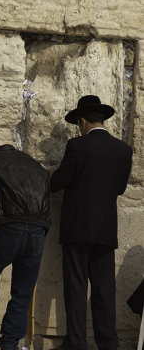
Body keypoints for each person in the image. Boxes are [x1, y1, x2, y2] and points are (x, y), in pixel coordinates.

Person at [50, 95, 133, 350]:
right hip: (105, 229)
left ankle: (76, 342)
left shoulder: (77, 146)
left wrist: (52, 175)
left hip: (77, 228)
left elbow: (57, 183)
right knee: (103, 288)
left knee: (76, 287)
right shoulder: (123, 150)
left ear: (83, 121)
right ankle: (107, 342)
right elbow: (119, 189)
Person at [0, 144, 51, 350]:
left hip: (9, 229)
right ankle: (10, 342)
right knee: (23, 291)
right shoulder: (37, 167)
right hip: (38, 231)